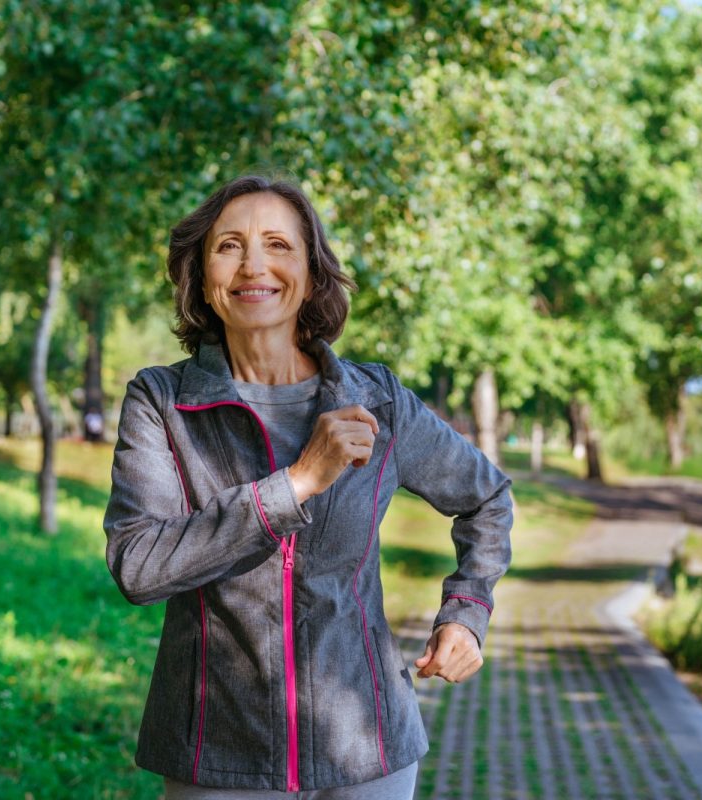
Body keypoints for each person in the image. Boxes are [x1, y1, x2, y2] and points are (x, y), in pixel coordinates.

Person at [103, 175, 512, 798]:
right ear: (201, 274)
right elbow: (139, 566)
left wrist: (467, 613)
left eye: (278, 245)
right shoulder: (163, 401)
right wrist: (296, 484)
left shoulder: (378, 400)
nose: (254, 266)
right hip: (219, 759)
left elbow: (486, 497)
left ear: (314, 274)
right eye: (230, 246)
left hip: (370, 751)